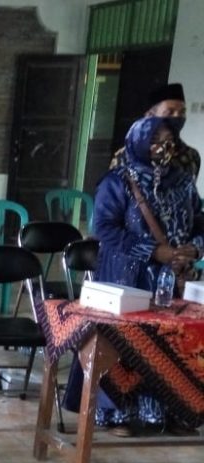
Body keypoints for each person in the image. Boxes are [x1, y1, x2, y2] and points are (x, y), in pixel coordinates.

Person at [69, 115, 204, 436]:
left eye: (168, 140)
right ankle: (117, 413)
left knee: (169, 343)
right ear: (138, 142)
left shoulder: (183, 182)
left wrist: (194, 249)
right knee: (126, 344)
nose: (162, 147)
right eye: (154, 140)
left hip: (171, 279)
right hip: (126, 277)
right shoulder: (117, 181)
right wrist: (152, 251)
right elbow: (104, 228)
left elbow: (200, 222)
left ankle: (170, 411)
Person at [110, 83, 199, 178]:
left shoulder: (191, 155)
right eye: (169, 112)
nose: (177, 116)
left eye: (182, 112)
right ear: (150, 116)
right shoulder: (126, 155)